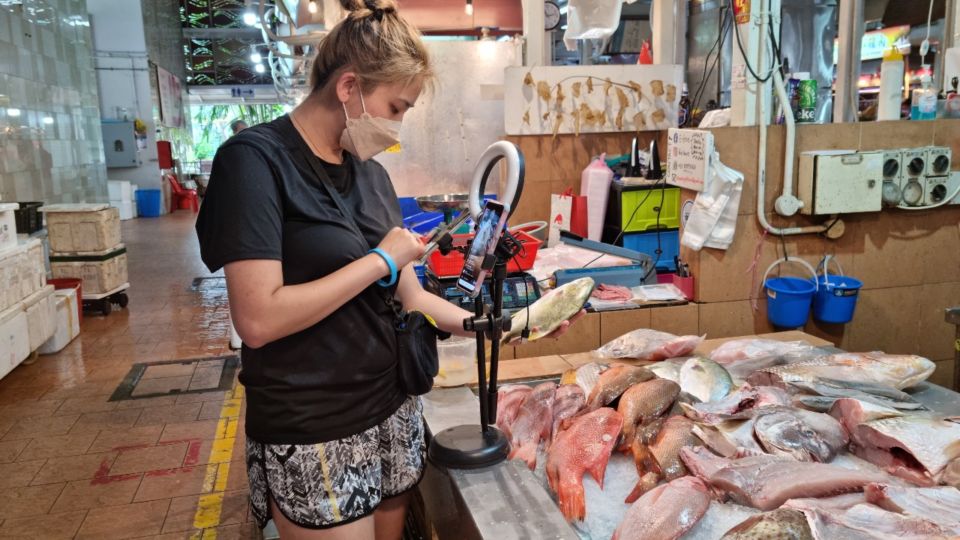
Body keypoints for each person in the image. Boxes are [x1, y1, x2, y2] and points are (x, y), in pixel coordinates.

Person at [195, 1, 584, 538]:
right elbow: (258, 318)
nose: (397, 125)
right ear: (349, 87)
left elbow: (414, 300)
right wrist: (379, 259)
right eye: (396, 106)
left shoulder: (372, 177)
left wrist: (504, 326)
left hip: (392, 406)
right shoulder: (254, 163)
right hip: (315, 424)